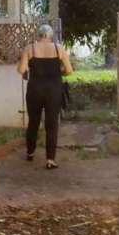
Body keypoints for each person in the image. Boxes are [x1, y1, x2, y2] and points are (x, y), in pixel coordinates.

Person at [17, 24, 73, 169]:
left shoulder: (30, 48)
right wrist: (58, 73)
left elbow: (21, 70)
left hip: (35, 90)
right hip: (53, 90)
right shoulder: (58, 48)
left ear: (39, 35)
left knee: (33, 122)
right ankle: (50, 160)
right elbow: (69, 70)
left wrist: (28, 67)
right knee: (52, 124)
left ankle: (30, 153)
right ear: (50, 35)